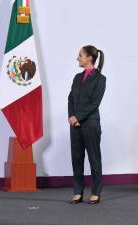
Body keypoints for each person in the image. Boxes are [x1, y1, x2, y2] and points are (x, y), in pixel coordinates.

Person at [68, 45, 106, 205]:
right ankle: (78, 192)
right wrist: (71, 116)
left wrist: (78, 116)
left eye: (81, 55)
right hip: (75, 124)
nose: (78, 58)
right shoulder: (77, 77)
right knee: (76, 158)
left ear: (90, 57)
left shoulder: (100, 79)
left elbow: (94, 103)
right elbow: (70, 98)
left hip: (90, 123)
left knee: (94, 158)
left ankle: (96, 192)